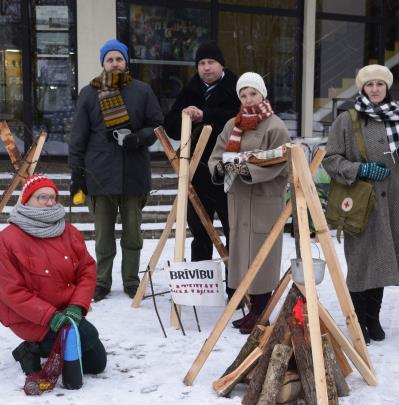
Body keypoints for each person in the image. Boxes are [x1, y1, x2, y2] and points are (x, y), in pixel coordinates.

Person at [323, 64, 399, 344]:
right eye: (370, 85)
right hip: (359, 204)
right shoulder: (347, 120)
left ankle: (373, 318)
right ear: (362, 88)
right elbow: (331, 160)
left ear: (387, 88)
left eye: (380, 84)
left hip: (392, 201)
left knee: (382, 262)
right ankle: (358, 321)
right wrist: (360, 170)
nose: (375, 89)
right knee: (360, 264)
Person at [68, 39, 163, 301]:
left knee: (133, 235)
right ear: (103, 63)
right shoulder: (89, 93)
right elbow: (78, 137)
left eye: (118, 59)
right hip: (99, 174)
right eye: (109, 59)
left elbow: (156, 125)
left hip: (134, 173)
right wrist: (77, 174)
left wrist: (138, 138)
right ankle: (101, 282)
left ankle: (132, 281)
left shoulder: (142, 91)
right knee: (103, 238)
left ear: (126, 61)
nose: (114, 63)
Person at [0, 174, 107, 382]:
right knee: (86, 336)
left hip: (67, 311)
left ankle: (42, 348)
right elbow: (11, 292)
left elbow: (87, 270)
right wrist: (50, 316)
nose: (50, 202)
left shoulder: (68, 232)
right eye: (42, 197)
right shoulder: (7, 241)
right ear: (27, 200)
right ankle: (31, 349)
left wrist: (77, 306)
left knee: (96, 364)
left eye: (53, 197)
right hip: (30, 316)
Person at [208, 72, 291, 334]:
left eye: (252, 93)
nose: (248, 99)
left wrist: (247, 170)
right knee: (244, 254)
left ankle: (261, 311)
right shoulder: (233, 124)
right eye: (243, 95)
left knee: (263, 255)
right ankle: (253, 308)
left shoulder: (275, 126)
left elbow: (281, 161)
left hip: (265, 200)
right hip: (240, 200)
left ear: (262, 94)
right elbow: (217, 155)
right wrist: (221, 167)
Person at [164, 41, 239, 298]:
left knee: (234, 232)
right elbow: (171, 125)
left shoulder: (238, 88)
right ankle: (202, 291)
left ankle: (235, 289)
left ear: (222, 65)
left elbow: (236, 116)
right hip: (196, 172)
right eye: (202, 63)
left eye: (211, 62)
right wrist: (184, 115)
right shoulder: (190, 89)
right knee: (199, 232)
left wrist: (204, 114)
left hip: (228, 170)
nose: (206, 68)